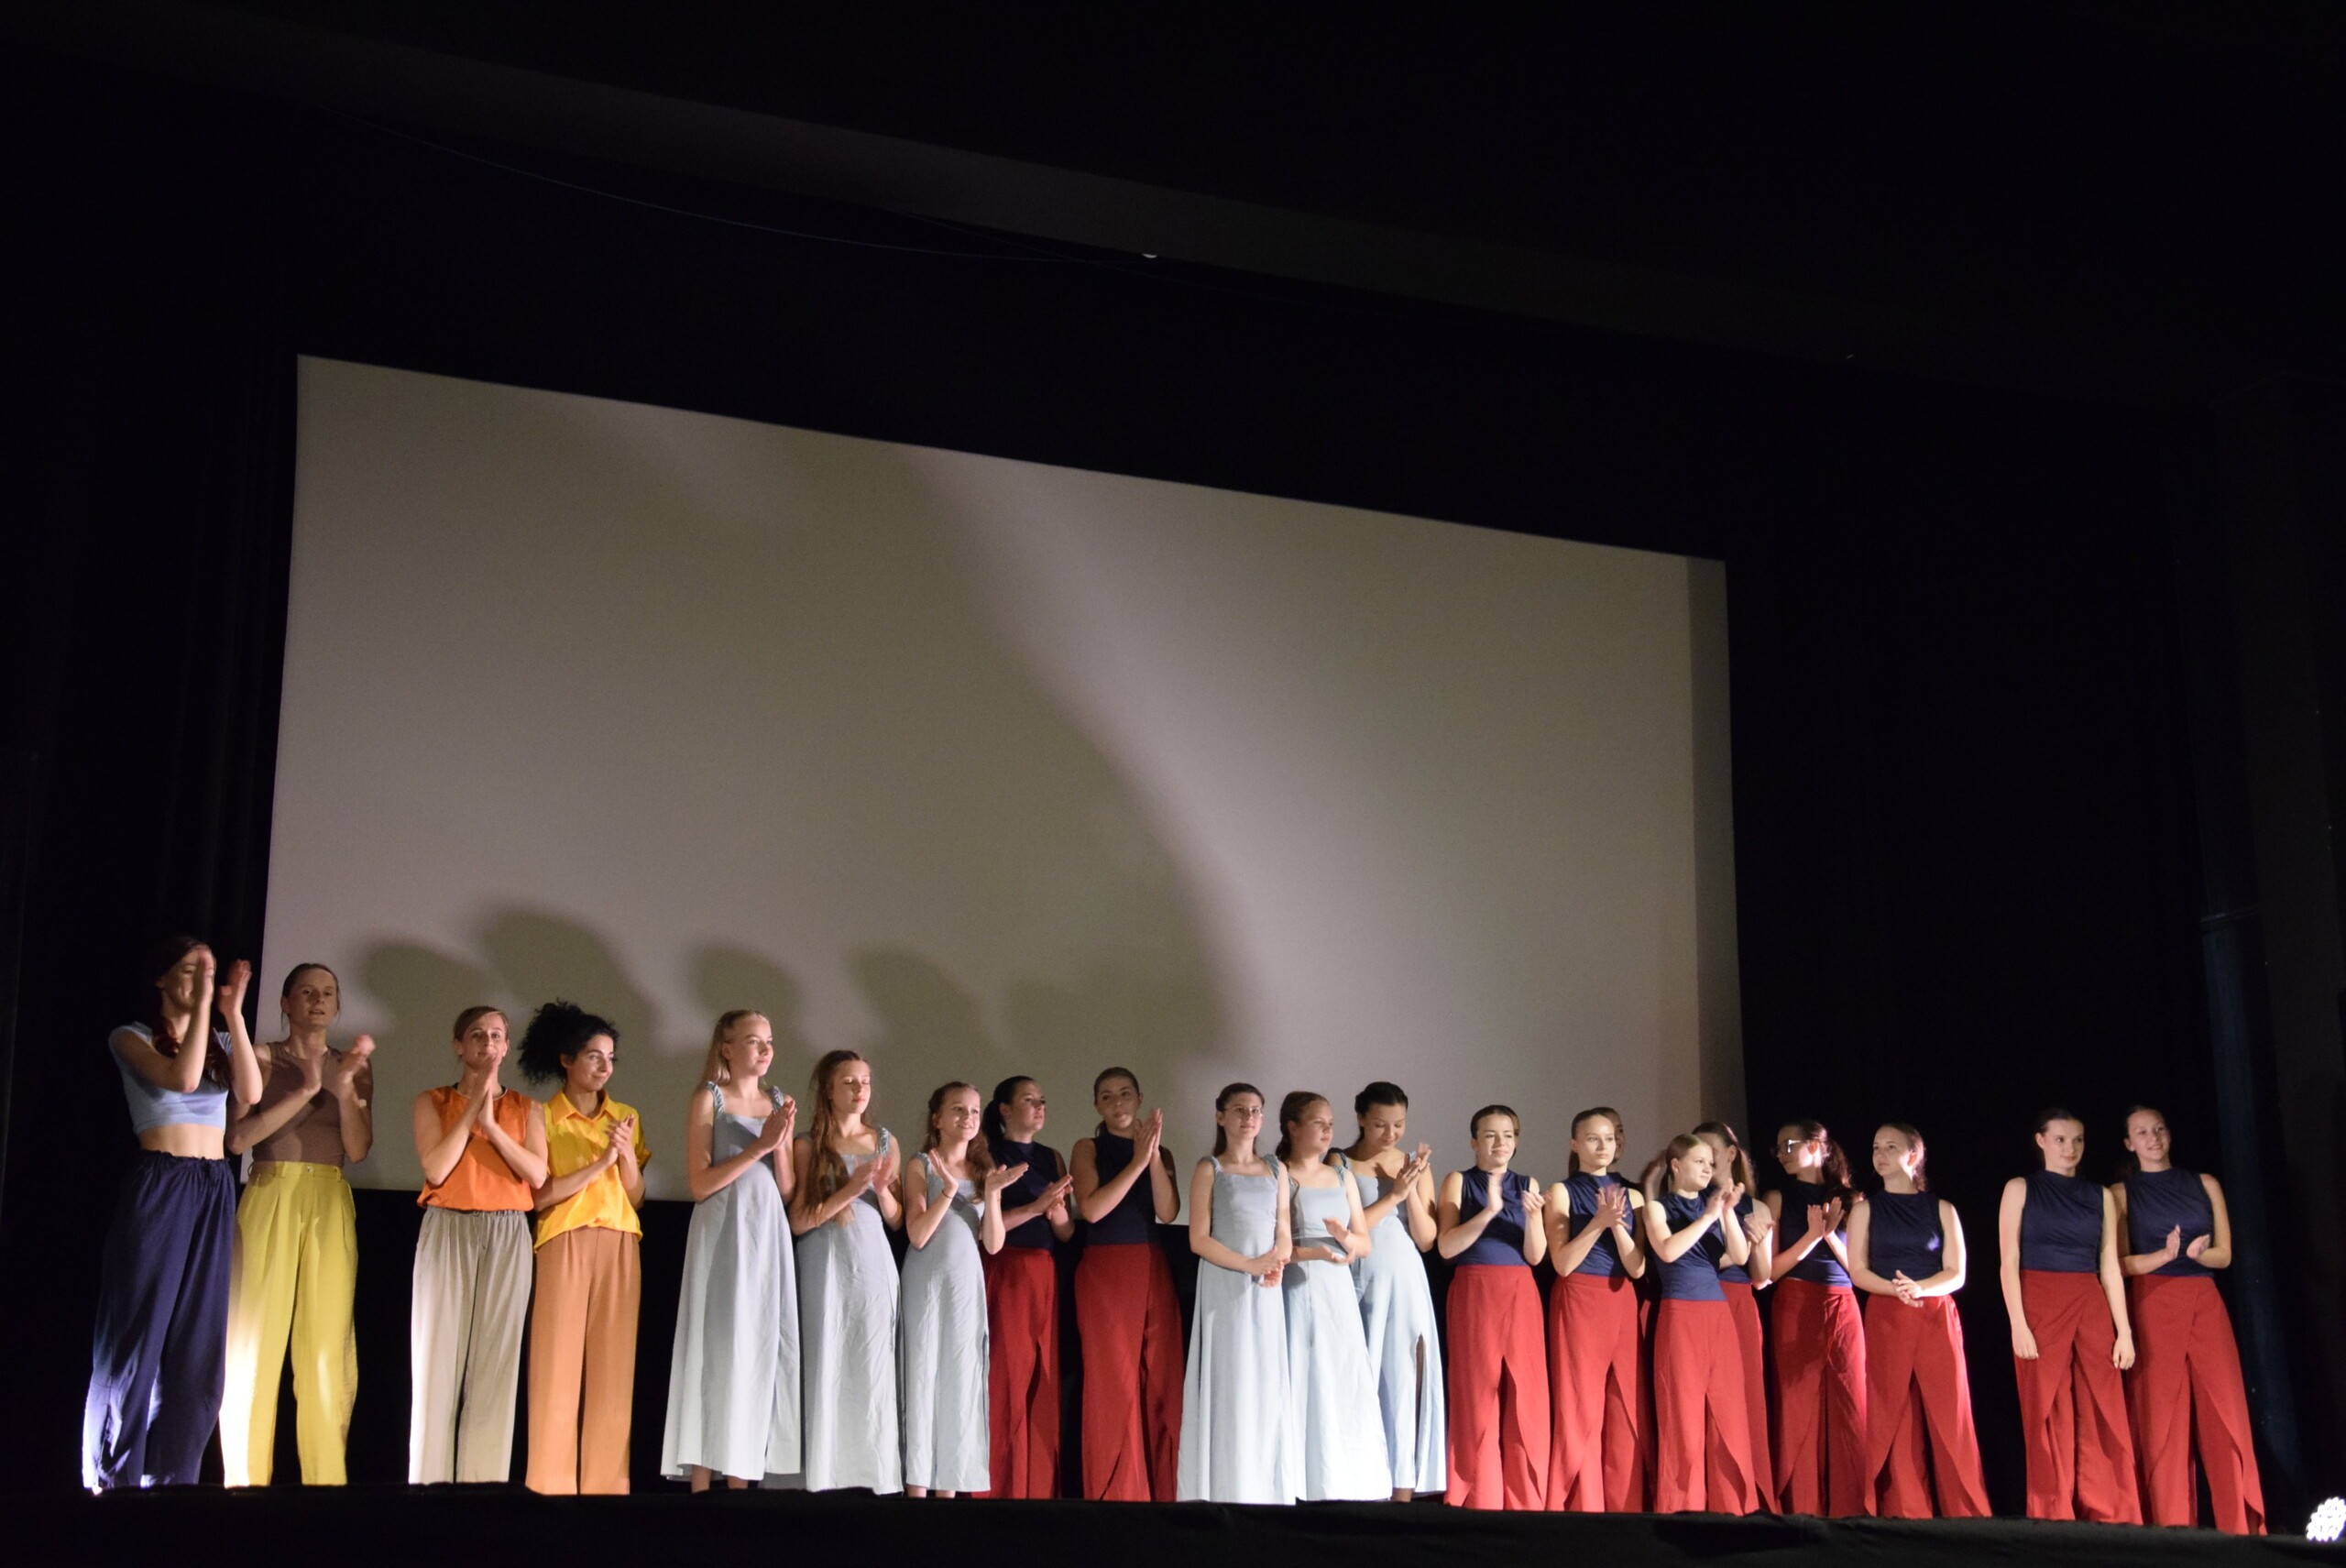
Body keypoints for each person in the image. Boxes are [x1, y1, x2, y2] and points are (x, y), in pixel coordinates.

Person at [82, 938, 263, 1491]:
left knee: (198, 1347)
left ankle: (171, 1486)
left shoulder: (220, 1040)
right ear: (161, 979)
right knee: (138, 1336)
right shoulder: (131, 1036)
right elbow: (182, 1080)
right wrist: (208, 1003)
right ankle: (110, 1483)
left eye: (208, 971)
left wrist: (232, 1013)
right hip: (161, 1184)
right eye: (190, 970)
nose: (201, 979)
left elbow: (251, 1093)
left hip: (213, 1186)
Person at [220, 962, 372, 1486]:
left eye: (328, 992)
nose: (318, 1000)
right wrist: (307, 1089)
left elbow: (357, 1148)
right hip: (271, 1191)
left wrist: (343, 1087)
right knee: (252, 1345)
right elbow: (237, 1139)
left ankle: (326, 1486)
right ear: (285, 1003)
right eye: (306, 991)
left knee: (328, 1348)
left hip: (328, 1197)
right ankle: (243, 1487)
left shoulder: (350, 1064)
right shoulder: (262, 1057)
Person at [660, 1010, 799, 1490]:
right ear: (727, 1048)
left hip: (765, 1232)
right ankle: (701, 1481)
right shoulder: (709, 1097)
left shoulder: (778, 1100)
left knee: (754, 1346)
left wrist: (780, 1143)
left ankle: (740, 1482)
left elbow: (786, 1189)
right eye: (754, 1041)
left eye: (769, 1041)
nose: (765, 1050)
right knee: (716, 1345)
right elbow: (700, 1184)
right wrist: (760, 1146)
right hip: (723, 1232)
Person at [409, 1004, 547, 1485]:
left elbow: (537, 1174)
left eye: (496, 1036)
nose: (488, 1043)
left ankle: (482, 1490)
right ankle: (428, 1488)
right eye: (477, 1035)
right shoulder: (432, 1100)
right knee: (437, 1364)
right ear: (459, 1045)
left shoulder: (529, 1109)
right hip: (448, 1227)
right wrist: (474, 1108)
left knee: (495, 1369)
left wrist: (492, 1126)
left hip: (507, 1231)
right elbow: (436, 1168)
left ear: (506, 1046)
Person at [2111, 1105, 2264, 1533]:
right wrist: (2164, 1255)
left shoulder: (2205, 1183)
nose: (2153, 1138)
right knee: (2162, 1420)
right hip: (2153, 1303)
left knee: (2224, 1412)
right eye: (2142, 1132)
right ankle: (2171, 1531)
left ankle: (2239, 1530)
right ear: (2129, 1143)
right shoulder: (2121, 1193)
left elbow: (2225, 1254)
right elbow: (2119, 1264)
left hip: (2203, 1299)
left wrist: (2198, 1254)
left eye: (2159, 1128)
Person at [520, 1000, 648, 1496]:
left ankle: (606, 1489)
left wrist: (624, 1157)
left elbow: (636, 1196)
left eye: (610, 1058)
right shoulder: (542, 1115)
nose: (604, 1066)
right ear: (567, 1059)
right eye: (594, 1056)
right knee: (557, 1367)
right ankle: (550, 1488)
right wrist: (600, 1163)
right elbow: (538, 1195)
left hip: (619, 1239)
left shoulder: (626, 1116)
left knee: (614, 1370)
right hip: (565, 1239)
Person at [1998, 1108, 2141, 1522]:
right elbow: (2008, 1261)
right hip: (2039, 1302)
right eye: (2060, 1139)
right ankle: (2052, 1512)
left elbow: (2109, 1266)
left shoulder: (2101, 1196)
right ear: (2041, 1141)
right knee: (2048, 1407)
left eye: (2077, 1140)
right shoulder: (2020, 1188)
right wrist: (2017, 1324)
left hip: (2089, 1300)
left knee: (2102, 1404)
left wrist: (2124, 1331)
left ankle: (2111, 1510)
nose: (2070, 1148)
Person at [1845, 1123, 1988, 1519]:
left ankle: (1967, 1513)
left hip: (1934, 1313)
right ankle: (1905, 1511)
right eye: (1876, 1147)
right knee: (1894, 1412)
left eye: (1891, 1147)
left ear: (1914, 1155)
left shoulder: (1942, 1209)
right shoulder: (1865, 1210)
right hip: (1887, 1315)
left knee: (1951, 1413)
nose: (1880, 1154)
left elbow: (1956, 1273)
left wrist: (1920, 1289)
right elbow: (1858, 1270)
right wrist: (1897, 1291)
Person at [901, 1082, 1023, 1497]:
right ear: (937, 1118)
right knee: (922, 1377)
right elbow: (918, 1234)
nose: (968, 1117)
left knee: (960, 1379)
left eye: (973, 1111)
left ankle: (949, 1491)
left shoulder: (984, 1172)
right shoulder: (920, 1165)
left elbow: (994, 1244)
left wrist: (991, 1194)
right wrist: (948, 1191)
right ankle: (917, 1489)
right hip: (926, 1281)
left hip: (965, 1285)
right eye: (957, 1109)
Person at [790, 1047, 904, 1494]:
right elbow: (799, 1221)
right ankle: (820, 1475)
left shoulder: (884, 1141)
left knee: (870, 1365)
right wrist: (850, 1191)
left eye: (866, 1082)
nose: (860, 1090)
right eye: (850, 1082)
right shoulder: (808, 1144)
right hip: (824, 1262)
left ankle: (868, 1474)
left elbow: (896, 1220)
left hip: (871, 1263)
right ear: (828, 1089)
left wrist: (882, 1190)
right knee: (825, 1360)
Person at [1177, 1083, 1296, 1503]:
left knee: (1263, 1378)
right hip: (1226, 1284)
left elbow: (1283, 1229)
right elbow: (1198, 1239)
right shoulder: (1210, 1168)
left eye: (1256, 1110)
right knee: (1230, 1379)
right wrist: (1249, 1265)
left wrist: (1277, 1262)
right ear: (1220, 1116)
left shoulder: (1276, 1169)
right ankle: (1225, 1486)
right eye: (1240, 1110)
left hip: (1265, 1287)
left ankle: (1264, 1489)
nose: (1249, 1117)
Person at [1070, 1066, 1183, 1500]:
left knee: (1161, 1379)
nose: (1117, 1103)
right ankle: (1117, 1494)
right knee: (1113, 1382)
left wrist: (1151, 1156)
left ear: (1139, 1099)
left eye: (1124, 1094)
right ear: (1096, 1106)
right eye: (1107, 1096)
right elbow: (1093, 1209)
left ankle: (1164, 1490)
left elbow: (1168, 1212)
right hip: (1107, 1268)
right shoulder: (1087, 1147)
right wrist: (1137, 1160)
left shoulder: (1160, 1151)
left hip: (1151, 1264)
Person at [1277, 1091, 1391, 1501]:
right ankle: (1301, 1480)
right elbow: (1278, 1243)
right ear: (1293, 1127)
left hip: (1337, 1287)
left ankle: (1346, 1479)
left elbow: (1364, 1243)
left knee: (1341, 1374)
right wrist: (1316, 1252)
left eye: (1330, 1124)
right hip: (1299, 1284)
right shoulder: (1280, 1172)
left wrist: (1344, 1238)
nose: (1328, 1131)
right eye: (1318, 1123)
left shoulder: (1341, 1176)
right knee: (1305, 1372)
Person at [1436, 1103, 1550, 1509]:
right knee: (1476, 1390)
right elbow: (1446, 1247)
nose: (1500, 1143)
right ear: (1474, 1142)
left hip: (1519, 1291)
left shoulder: (1528, 1183)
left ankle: (1526, 1499)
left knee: (1524, 1393)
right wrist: (1489, 1212)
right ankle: (1477, 1496)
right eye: (1490, 1135)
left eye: (1508, 1135)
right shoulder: (1458, 1181)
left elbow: (1536, 1256)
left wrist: (1533, 1219)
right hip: (1474, 1289)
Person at [1642, 1132, 1760, 1515]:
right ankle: (1681, 1509)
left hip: (1717, 1315)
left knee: (1728, 1411)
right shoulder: (1657, 1208)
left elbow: (1739, 1256)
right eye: (1699, 1162)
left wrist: (1726, 1213)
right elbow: (1668, 1251)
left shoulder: (1715, 1207)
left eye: (1711, 1163)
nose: (1708, 1169)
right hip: (1680, 1314)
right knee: (1683, 1414)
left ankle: (1733, 1508)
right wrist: (1708, 1216)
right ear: (1676, 1165)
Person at [1343, 1081, 1444, 1500]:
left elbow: (1426, 1239)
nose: (1390, 1134)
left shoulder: (1412, 1163)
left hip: (1404, 1278)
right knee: (1360, 1375)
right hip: (1359, 1278)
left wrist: (1411, 1189)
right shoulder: (1340, 1162)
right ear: (1361, 1119)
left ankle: (1402, 1489)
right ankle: (1359, 1484)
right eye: (1380, 1124)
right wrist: (1394, 1193)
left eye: (1398, 1124)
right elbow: (1348, 1228)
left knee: (1403, 1378)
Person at [1763, 1118, 1869, 1516]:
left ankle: (1851, 1509)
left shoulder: (1852, 1200)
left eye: (1789, 1145)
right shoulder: (1777, 1197)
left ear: (1817, 1147)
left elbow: (1859, 1271)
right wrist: (1811, 1238)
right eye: (1778, 1147)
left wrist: (1828, 1235)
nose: (1782, 1154)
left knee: (1850, 1402)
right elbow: (1770, 1271)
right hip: (1795, 1301)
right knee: (1797, 1406)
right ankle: (1801, 1507)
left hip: (1843, 1302)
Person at [1545, 1106, 1647, 1512]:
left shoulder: (1634, 1195)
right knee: (1580, 1404)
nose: (1603, 1146)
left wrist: (1617, 1224)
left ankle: (1626, 1506)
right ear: (1575, 1144)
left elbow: (1637, 1268)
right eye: (1592, 1139)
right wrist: (1598, 1221)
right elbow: (1562, 1263)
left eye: (1609, 1138)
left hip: (1620, 1300)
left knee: (1624, 1405)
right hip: (1579, 1300)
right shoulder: (1561, 1191)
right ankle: (1580, 1506)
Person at [980, 1075, 1075, 1497]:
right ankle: (997, 1487)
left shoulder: (1051, 1157)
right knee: (1006, 1377)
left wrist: (1055, 1211)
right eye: (1028, 1100)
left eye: (1042, 1100)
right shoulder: (987, 1152)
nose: (1039, 1107)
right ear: (1004, 1109)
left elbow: (1066, 1232)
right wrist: (1036, 1207)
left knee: (1043, 1380)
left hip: (1044, 1272)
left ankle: (1036, 1489)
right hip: (1006, 1270)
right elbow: (985, 1225)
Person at [1696, 1119, 1774, 1505]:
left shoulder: (1756, 1206)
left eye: (1711, 1152)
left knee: (1744, 1400)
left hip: (1739, 1303)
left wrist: (1755, 1245)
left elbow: (1762, 1275)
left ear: (1730, 1154)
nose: (1705, 1161)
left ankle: (1746, 1493)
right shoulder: (1691, 1200)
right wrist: (1734, 1250)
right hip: (1699, 1301)